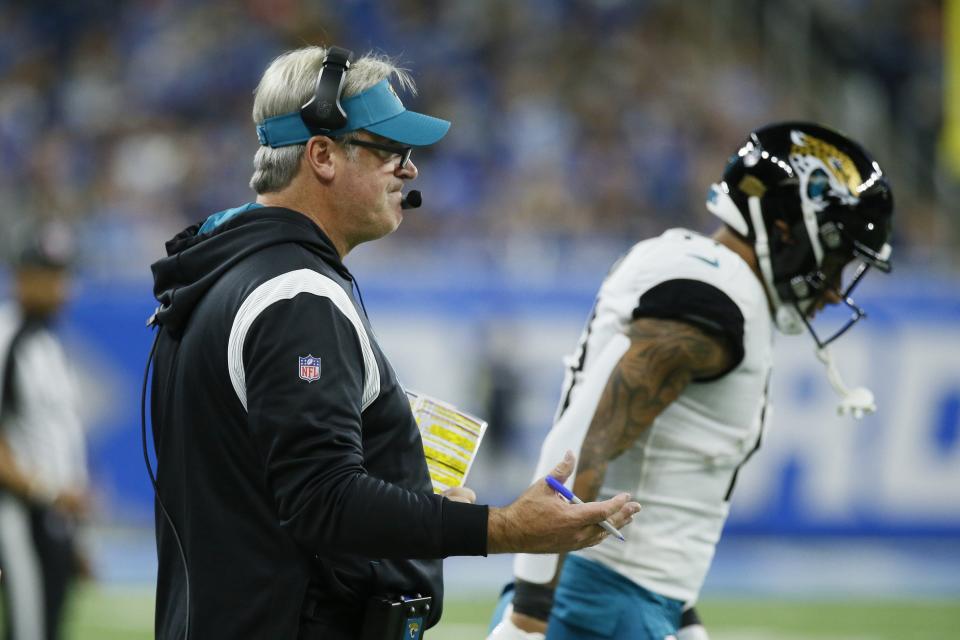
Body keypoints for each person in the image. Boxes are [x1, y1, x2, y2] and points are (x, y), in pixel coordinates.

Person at [147, 45, 641, 640]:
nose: (410, 170)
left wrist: (411, 500)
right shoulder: (295, 295)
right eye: (390, 150)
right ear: (323, 154)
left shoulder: (226, 273)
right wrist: (507, 527)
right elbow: (323, 500)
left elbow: (271, 488)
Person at [487, 122, 894, 640]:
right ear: (788, 227)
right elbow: (582, 444)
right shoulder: (714, 298)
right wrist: (527, 618)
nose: (835, 291)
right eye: (835, 262)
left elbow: (661, 475)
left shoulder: (698, 269)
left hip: (621, 597)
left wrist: (684, 617)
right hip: (600, 604)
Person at [0, 223, 91, 640]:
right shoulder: (6, 335)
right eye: (49, 274)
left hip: (55, 520)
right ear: (22, 275)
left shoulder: (49, 345)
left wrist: (76, 537)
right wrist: (50, 492)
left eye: (62, 274)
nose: (60, 287)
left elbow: (59, 442)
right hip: (19, 518)